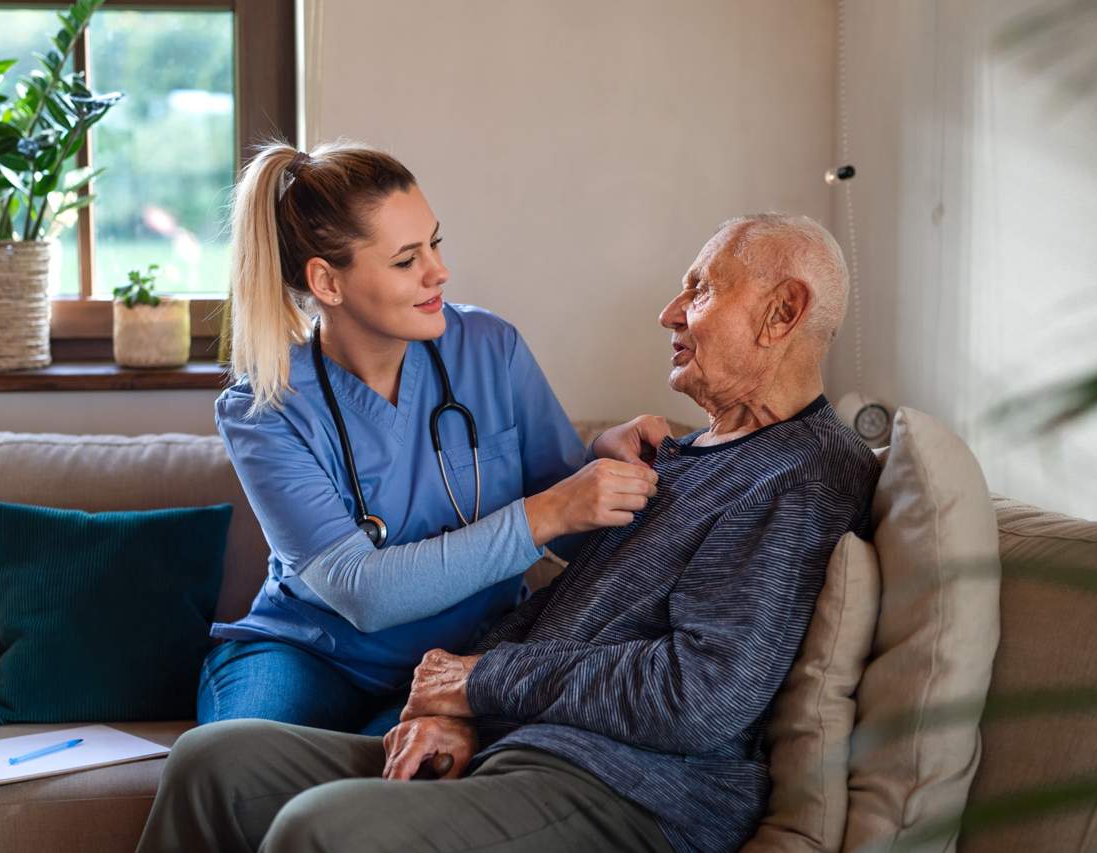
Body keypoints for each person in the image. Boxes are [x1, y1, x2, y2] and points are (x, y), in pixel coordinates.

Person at [136, 213, 883, 853]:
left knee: (320, 828)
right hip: (520, 742)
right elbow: (559, 607)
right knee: (212, 763)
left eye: (701, 289)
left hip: (631, 787)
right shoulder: (686, 456)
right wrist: (457, 704)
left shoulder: (802, 472)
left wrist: (480, 682)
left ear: (783, 313)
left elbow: (703, 694)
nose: (670, 311)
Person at [203, 139, 669, 735]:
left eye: (435, 242)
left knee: (393, 794)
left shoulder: (489, 350)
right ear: (327, 281)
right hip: (307, 655)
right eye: (406, 260)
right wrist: (548, 511)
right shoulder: (263, 408)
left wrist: (602, 465)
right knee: (243, 755)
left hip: (466, 659)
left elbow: (578, 531)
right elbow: (360, 592)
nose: (438, 271)